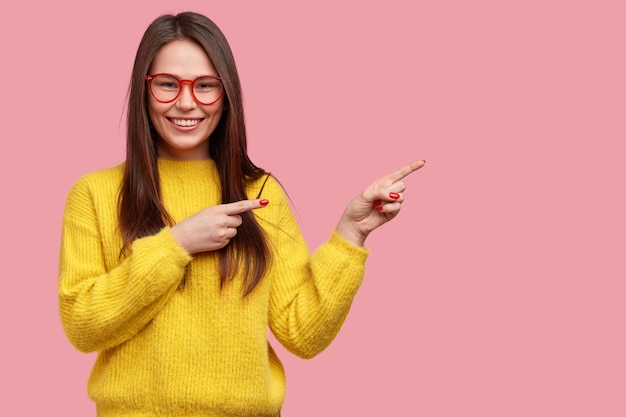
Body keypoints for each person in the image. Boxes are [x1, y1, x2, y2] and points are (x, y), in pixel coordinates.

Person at [58, 11, 425, 417]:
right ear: (144, 90)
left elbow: (302, 332)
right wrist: (177, 244)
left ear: (226, 92)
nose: (186, 102)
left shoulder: (259, 193)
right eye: (166, 84)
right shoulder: (95, 193)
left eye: (205, 86)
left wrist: (351, 235)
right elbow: (82, 325)